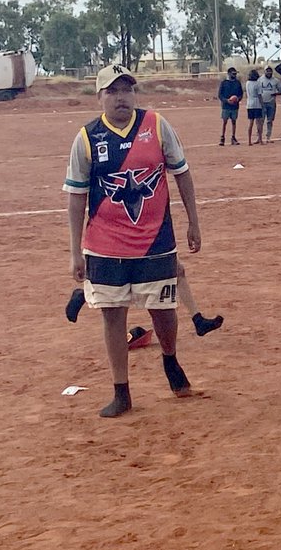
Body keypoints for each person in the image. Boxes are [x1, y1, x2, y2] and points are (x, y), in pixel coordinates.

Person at [64, 64, 202, 418]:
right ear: (100, 97)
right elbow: (77, 197)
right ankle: (121, 391)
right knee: (112, 316)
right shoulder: (87, 138)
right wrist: (75, 251)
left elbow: (182, 173)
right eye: (112, 91)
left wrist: (193, 222)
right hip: (105, 245)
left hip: (156, 241)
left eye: (127, 89)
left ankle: (170, 359)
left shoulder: (156, 125)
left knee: (163, 310)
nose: (121, 97)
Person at [66, 262, 223, 337]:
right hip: (136, 236)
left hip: (148, 235)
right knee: (125, 283)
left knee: (177, 270)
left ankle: (197, 319)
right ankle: (84, 293)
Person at [257, 65, 281, 143]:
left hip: (271, 103)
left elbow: (280, 90)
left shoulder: (275, 80)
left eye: (270, 71)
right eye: (267, 71)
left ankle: (268, 137)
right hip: (262, 103)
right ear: (264, 71)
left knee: (270, 120)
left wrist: (276, 93)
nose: (269, 72)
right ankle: (259, 137)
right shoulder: (260, 80)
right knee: (260, 120)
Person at [217, 67, 243, 145]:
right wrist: (226, 101)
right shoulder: (224, 83)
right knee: (225, 122)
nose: (234, 75)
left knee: (234, 122)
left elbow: (241, 94)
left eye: (235, 74)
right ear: (229, 74)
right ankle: (222, 137)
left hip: (235, 106)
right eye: (233, 74)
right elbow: (220, 95)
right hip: (226, 106)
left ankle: (233, 137)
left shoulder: (238, 83)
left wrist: (238, 99)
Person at [245, 69, 264, 145]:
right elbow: (259, 95)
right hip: (257, 104)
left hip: (249, 103)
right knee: (258, 123)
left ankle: (249, 141)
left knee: (251, 122)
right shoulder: (257, 83)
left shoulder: (247, 83)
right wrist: (262, 104)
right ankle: (260, 140)